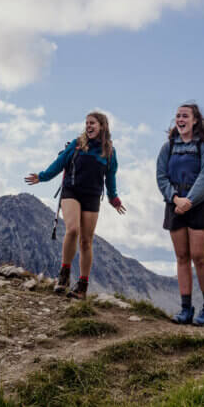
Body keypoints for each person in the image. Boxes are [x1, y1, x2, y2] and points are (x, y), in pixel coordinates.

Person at [25, 111, 126, 299]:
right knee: (72, 229)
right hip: (71, 191)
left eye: (92, 123)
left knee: (86, 241)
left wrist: (114, 199)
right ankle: (64, 275)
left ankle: (82, 287)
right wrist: (42, 176)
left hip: (93, 197)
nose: (88, 126)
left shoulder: (110, 152)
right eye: (87, 123)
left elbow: (110, 178)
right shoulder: (77, 144)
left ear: (102, 126)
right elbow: (59, 163)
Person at [156, 102, 204, 326]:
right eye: (177, 116)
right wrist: (175, 199)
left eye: (185, 116)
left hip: (200, 206)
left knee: (199, 258)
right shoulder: (168, 147)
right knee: (182, 257)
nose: (180, 120)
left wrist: (189, 201)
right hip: (175, 204)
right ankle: (186, 309)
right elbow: (161, 176)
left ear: (195, 120)